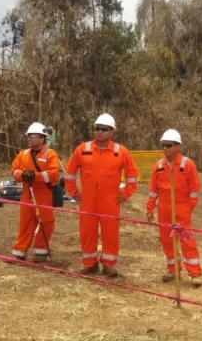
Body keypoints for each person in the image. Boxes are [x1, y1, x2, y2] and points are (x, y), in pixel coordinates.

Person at [64, 113, 139, 277]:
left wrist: (125, 193)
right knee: (87, 232)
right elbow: (69, 174)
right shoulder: (83, 149)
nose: (99, 132)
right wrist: (74, 192)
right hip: (88, 199)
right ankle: (89, 264)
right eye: (97, 129)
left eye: (103, 129)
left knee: (110, 233)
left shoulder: (121, 151)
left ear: (112, 132)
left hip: (110, 200)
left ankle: (108, 264)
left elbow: (133, 176)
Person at [145, 129, 202, 286]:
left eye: (169, 145)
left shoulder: (187, 165)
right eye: (163, 145)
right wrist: (150, 208)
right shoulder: (158, 166)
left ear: (178, 147)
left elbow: (195, 191)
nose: (165, 149)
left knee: (187, 242)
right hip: (164, 209)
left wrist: (187, 209)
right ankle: (173, 269)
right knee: (167, 242)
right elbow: (152, 191)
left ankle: (195, 273)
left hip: (181, 209)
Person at [10, 122, 60, 263]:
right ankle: (19, 252)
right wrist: (22, 174)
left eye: (32, 136)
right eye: (28, 136)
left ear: (42, 138)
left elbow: (53, 174)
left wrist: (35, 176)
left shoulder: (50, 154)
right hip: (27, 194)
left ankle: (41, 251)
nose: (29, 139)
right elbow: (13, 171)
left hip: (44, 194)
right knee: (25, 223)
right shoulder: (23, 154)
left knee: (46, 222)